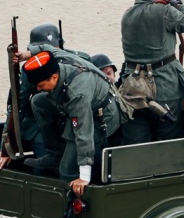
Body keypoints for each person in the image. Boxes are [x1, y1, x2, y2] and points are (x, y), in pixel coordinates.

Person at [22, 51, 124, 196]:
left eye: (41, 85)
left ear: (54, 77)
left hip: (102, 118)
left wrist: (84, 176)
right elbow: (48, 48)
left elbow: (84, 132)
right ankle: (54, 155)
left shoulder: (77, 94)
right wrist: (26, 54)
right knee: (38, 102)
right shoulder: (59, 59)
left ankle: (71, 204)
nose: (38, 89)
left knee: (67, 169)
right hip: (82, 108)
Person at [120, 0, 184, 145]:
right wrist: (178, 4)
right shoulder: (164, 11)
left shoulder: (128, 14)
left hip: (132, 88)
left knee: (137, 142)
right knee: (168, 139)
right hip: (165, 85)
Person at [1, 24, 94, 171]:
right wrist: (6, 147)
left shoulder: (80, 59)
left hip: (77, 121)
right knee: (44, 168)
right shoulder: (32, 71)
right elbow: (17, 105)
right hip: (46, 125)